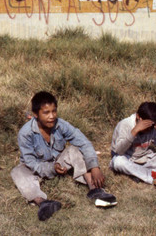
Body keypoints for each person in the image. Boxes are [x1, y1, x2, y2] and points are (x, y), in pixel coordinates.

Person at [11, 91, 116, 221]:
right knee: (17, 171)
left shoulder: (61, 124)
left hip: (60, 163)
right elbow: (31, 162)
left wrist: (94, 167)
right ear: (35, 115)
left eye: (54, 111)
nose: (51, 116)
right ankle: (42, 202)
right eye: (46, 113)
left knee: (75, 150)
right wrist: (51, 168)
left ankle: (95, 190)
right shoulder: (25, 133)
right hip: (38, 169)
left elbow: (84, 142)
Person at [110, 102, 156, 185]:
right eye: (147, 125)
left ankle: (137, 174)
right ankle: (153, 175)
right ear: (138, 117)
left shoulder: (153, 128)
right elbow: (119, 151)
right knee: (118, 162)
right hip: (128, 159)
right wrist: (134, 131)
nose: (149, 129)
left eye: (152, 126)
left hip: (145, 160)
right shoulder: (125, 124)